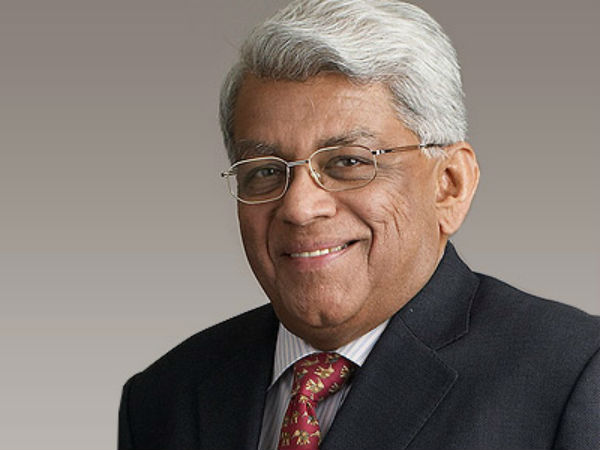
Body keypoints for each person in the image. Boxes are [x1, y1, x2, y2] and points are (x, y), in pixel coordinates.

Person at [118, 1, 600, 449]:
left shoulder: (574, 377)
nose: (299, 207)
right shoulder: (164, 397)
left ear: (449, 185)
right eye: (265, 171)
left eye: (348, 162)